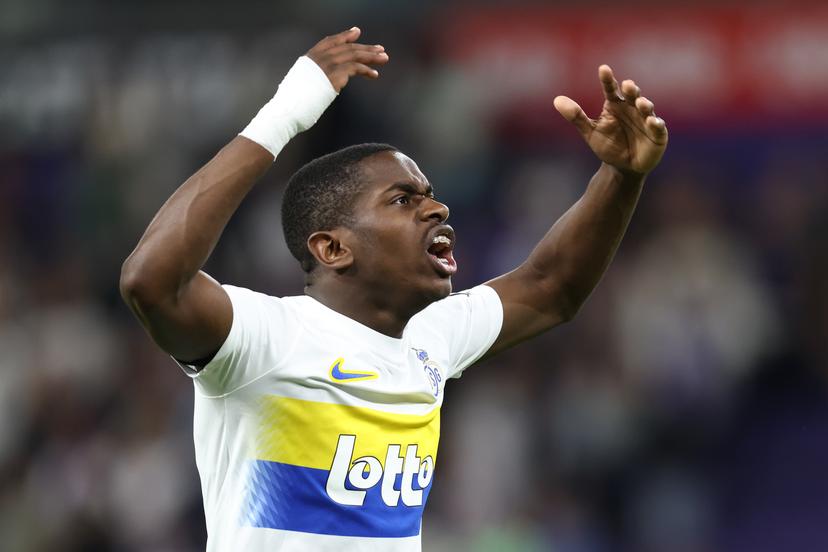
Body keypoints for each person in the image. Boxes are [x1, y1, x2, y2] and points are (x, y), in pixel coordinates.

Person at [120, 26, 667, 552]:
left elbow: (552, 288)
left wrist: (620, 177)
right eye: (403, 200)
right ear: (333, 249)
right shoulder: (266, 338)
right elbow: (152, 282)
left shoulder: (433, 336)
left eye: (429, 194)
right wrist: (284, 116)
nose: (437, 208)